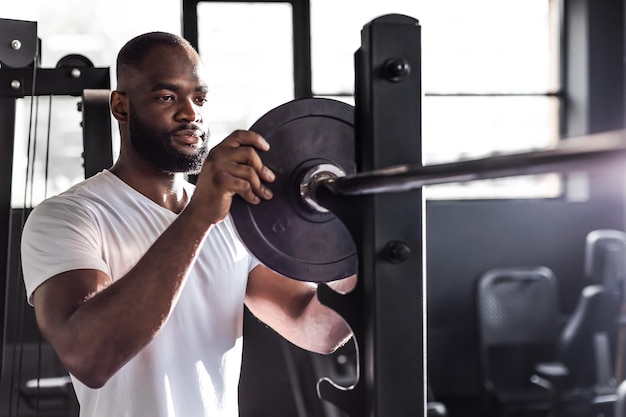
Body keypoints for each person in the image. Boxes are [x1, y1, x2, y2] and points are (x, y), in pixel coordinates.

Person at [20, 31, 354, 417]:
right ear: (121, 106)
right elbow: (89, 356)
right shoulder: (69, 217)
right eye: (167, 97)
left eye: (199, 98)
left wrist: (348, 235)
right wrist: (199, 216)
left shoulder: (234, 219)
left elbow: (319, 330)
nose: (190, 113)